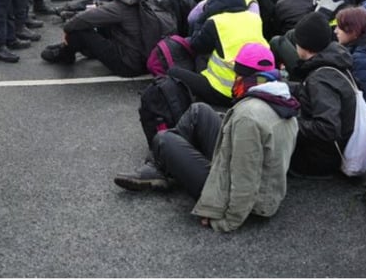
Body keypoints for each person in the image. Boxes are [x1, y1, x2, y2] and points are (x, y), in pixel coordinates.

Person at [113, 43, 299, 231]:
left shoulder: (247, 117)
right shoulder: (281, 98)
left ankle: (161, 169)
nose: (235, 80)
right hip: (262, 185)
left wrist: (227, 221)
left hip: (248, 203)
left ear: (245, 77)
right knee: (199, 111)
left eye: (237, 75)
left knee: (164, 139)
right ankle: (160, 168)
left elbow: (245, 178)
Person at [172, 0, 267, 107]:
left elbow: (196, 45)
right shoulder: (254, 18)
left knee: (174, 72)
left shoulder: (216, 22)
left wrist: (202, 18)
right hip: (253, 89)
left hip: (225, 92)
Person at [286, 11, 358, 177]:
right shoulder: (334, 62)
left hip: (320, 160)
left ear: (305, 46)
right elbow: (309, 92)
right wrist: (280, 87)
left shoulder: (320, 79)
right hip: (337, 149)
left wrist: (289, 124)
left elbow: (327, 129)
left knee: (269, 131)